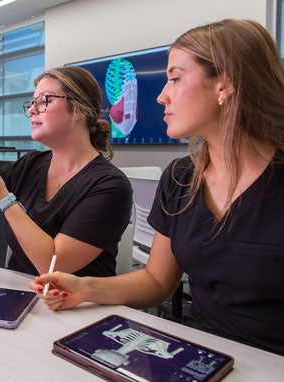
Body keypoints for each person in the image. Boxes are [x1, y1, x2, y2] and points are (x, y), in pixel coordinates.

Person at [29, 19, 284, 356]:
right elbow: (157, 281)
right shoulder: (181, 177)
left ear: (225, 85)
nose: (162, 96)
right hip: (204, 354)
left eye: (175, 79)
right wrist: (85, 288)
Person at [0, 66, 132, 277]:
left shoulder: (109, 185)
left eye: (45, 100)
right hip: (21, 292)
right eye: (32, 103)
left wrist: (4, 198)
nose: (32, 111)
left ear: (80, 110)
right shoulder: (30, 165)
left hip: (77, 304)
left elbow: (53, 266)